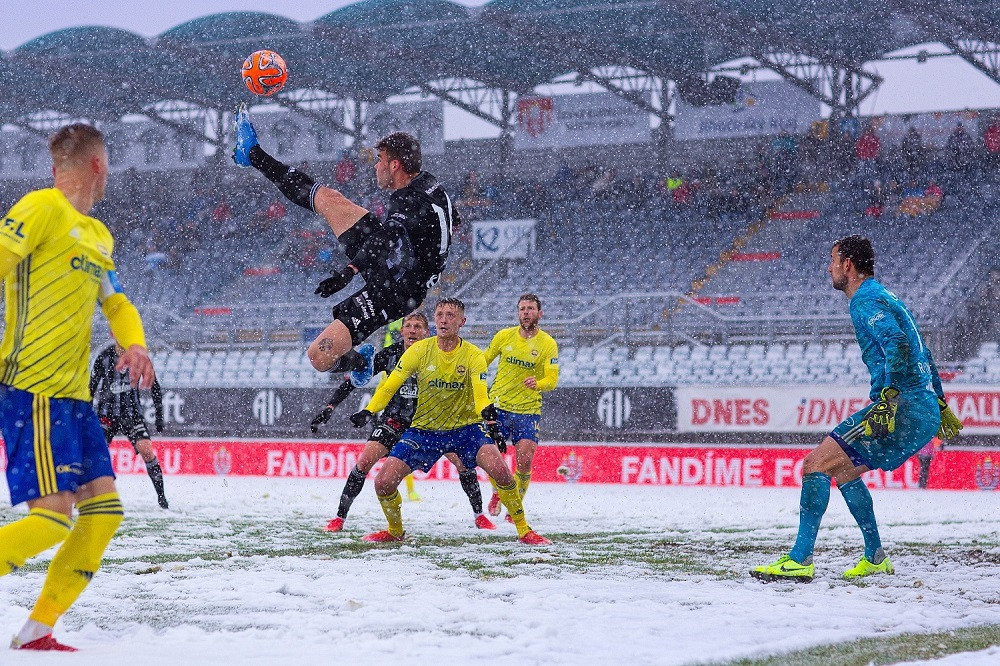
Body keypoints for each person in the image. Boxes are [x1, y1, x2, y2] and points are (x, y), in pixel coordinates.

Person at [0, 124, 155, 651]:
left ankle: (38, 629)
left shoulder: (97, 236)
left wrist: (134, 343)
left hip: (75, 399)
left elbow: (115, 302)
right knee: (48, 520)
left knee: (104, 513)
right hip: (32, 388)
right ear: (98, 165)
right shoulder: (40, 206)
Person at [751, 235, 963, 583]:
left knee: (814, 464)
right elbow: (921, 347)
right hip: (923, 407)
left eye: (833, 260)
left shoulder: (865, 299)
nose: (829, 267)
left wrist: (888, 399)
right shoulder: (887, 296)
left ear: (848, 264)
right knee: (844, 469)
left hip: (904, 406)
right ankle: (876, 556)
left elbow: (896, 343)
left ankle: (800, 559)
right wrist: (939, 401)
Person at [233, 106, 459, 387]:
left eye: (380, 160)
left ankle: (363, 363)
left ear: (395, 165)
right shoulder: (429, 183)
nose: (375, 166)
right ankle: (253, 154)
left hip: (394, 292)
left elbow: (384, 238)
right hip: (398, 260)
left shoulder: (407, 201)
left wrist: (349, 271)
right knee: (328, 198)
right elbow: (449, 218)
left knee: (320, 357)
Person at [350, 298, 550, 545]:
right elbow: (390, 386)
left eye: (451, 315)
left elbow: (480, 396)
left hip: (465, 429)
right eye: (440, 314)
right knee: (383, 483)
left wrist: (492, 426)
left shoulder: (474, 355)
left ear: (462, 322)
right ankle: (395, 531)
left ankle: (524, 530)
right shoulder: (419, 351)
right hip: (424, 429)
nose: (444, 319)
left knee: (502, 473)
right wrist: (369, 410)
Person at [310, 312, 495, 531]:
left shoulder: (438, 352)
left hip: (432, 422)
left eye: (418, 326)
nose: (413, 330)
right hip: (396, 420)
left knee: (462, 464)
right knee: (364, 462)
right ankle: (339, 518)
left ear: (427, 332)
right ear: (402, 331)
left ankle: (479, 515)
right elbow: (356, 379)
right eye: (409, 326)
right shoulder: (391, 354)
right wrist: (331, 406)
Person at [483, 294, 559, 522]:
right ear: (518, 313)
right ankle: (497, 493)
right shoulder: (504, 336)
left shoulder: (547, 344)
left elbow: (552, 380)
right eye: (522, 309)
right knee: (493, 459)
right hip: (499, 407)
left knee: (524, 462)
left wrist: (539, 383)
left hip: (528, 411)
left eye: (531, 308)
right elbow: (484, 360)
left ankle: (514, 503)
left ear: (539, 313)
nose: (526, 312)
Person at [90, 341, 168, 509]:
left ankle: (162, 499)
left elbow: (154, 387)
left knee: (146, 449)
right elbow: (92, 386)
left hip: (131, 415)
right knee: (96, 454)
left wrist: (159, 416)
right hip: (106, 415)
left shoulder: (139, 357)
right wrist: (86, 413)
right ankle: (89, 498)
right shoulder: (104, 357)